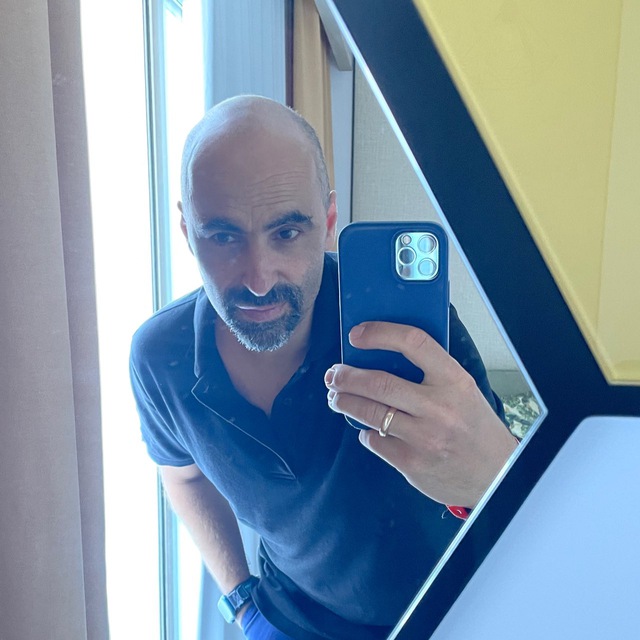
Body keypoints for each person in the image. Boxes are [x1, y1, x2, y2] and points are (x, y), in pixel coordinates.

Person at [130, 95, 517, 640]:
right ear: (187, 231)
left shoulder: (414, 334)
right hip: (293, 619)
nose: (259, 279)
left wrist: (490, 471)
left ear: (329, 221)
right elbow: (182, 472)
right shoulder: (159, 359)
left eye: (286, 233)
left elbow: (504, 486)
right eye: (223, 236)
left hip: (456, 612)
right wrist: (241, 600)